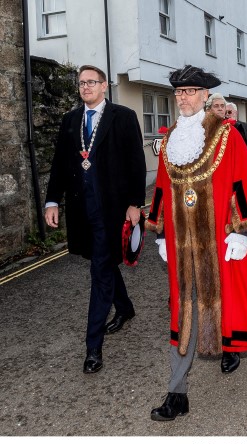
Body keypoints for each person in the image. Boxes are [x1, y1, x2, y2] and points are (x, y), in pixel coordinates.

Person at [146, 65, 247, 421]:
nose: (182, 97)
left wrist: (245, 231)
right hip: (180, 244)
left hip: (217, 240)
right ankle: (177, 393)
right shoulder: (171, 139)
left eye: (189, 91)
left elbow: (244, 182)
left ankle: (228, 347)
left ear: (205, 96)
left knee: (222, 304)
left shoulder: (226, 135)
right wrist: (159, 233)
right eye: (178, 92)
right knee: (183, 311)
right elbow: (161, 188)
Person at [44, 64, 146, 374]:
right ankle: (125, 308)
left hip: (113, 210)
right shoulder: (71, 120)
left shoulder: (123, 117)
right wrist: (52, 200)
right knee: (103, 262)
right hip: (82, 211)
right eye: (81, 83)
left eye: (92, 82)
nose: (85, 87)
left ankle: (93, 347)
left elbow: (136, 163)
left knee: (99, 271)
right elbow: (60, 164)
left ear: (104, 86)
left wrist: (135, 204)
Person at [225, 102, 247, 168]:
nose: (227, 115)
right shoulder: (220, 128)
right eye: (225, 113)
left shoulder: (246, 127)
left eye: (229, 112)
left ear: (236, 112)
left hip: (242, 166)